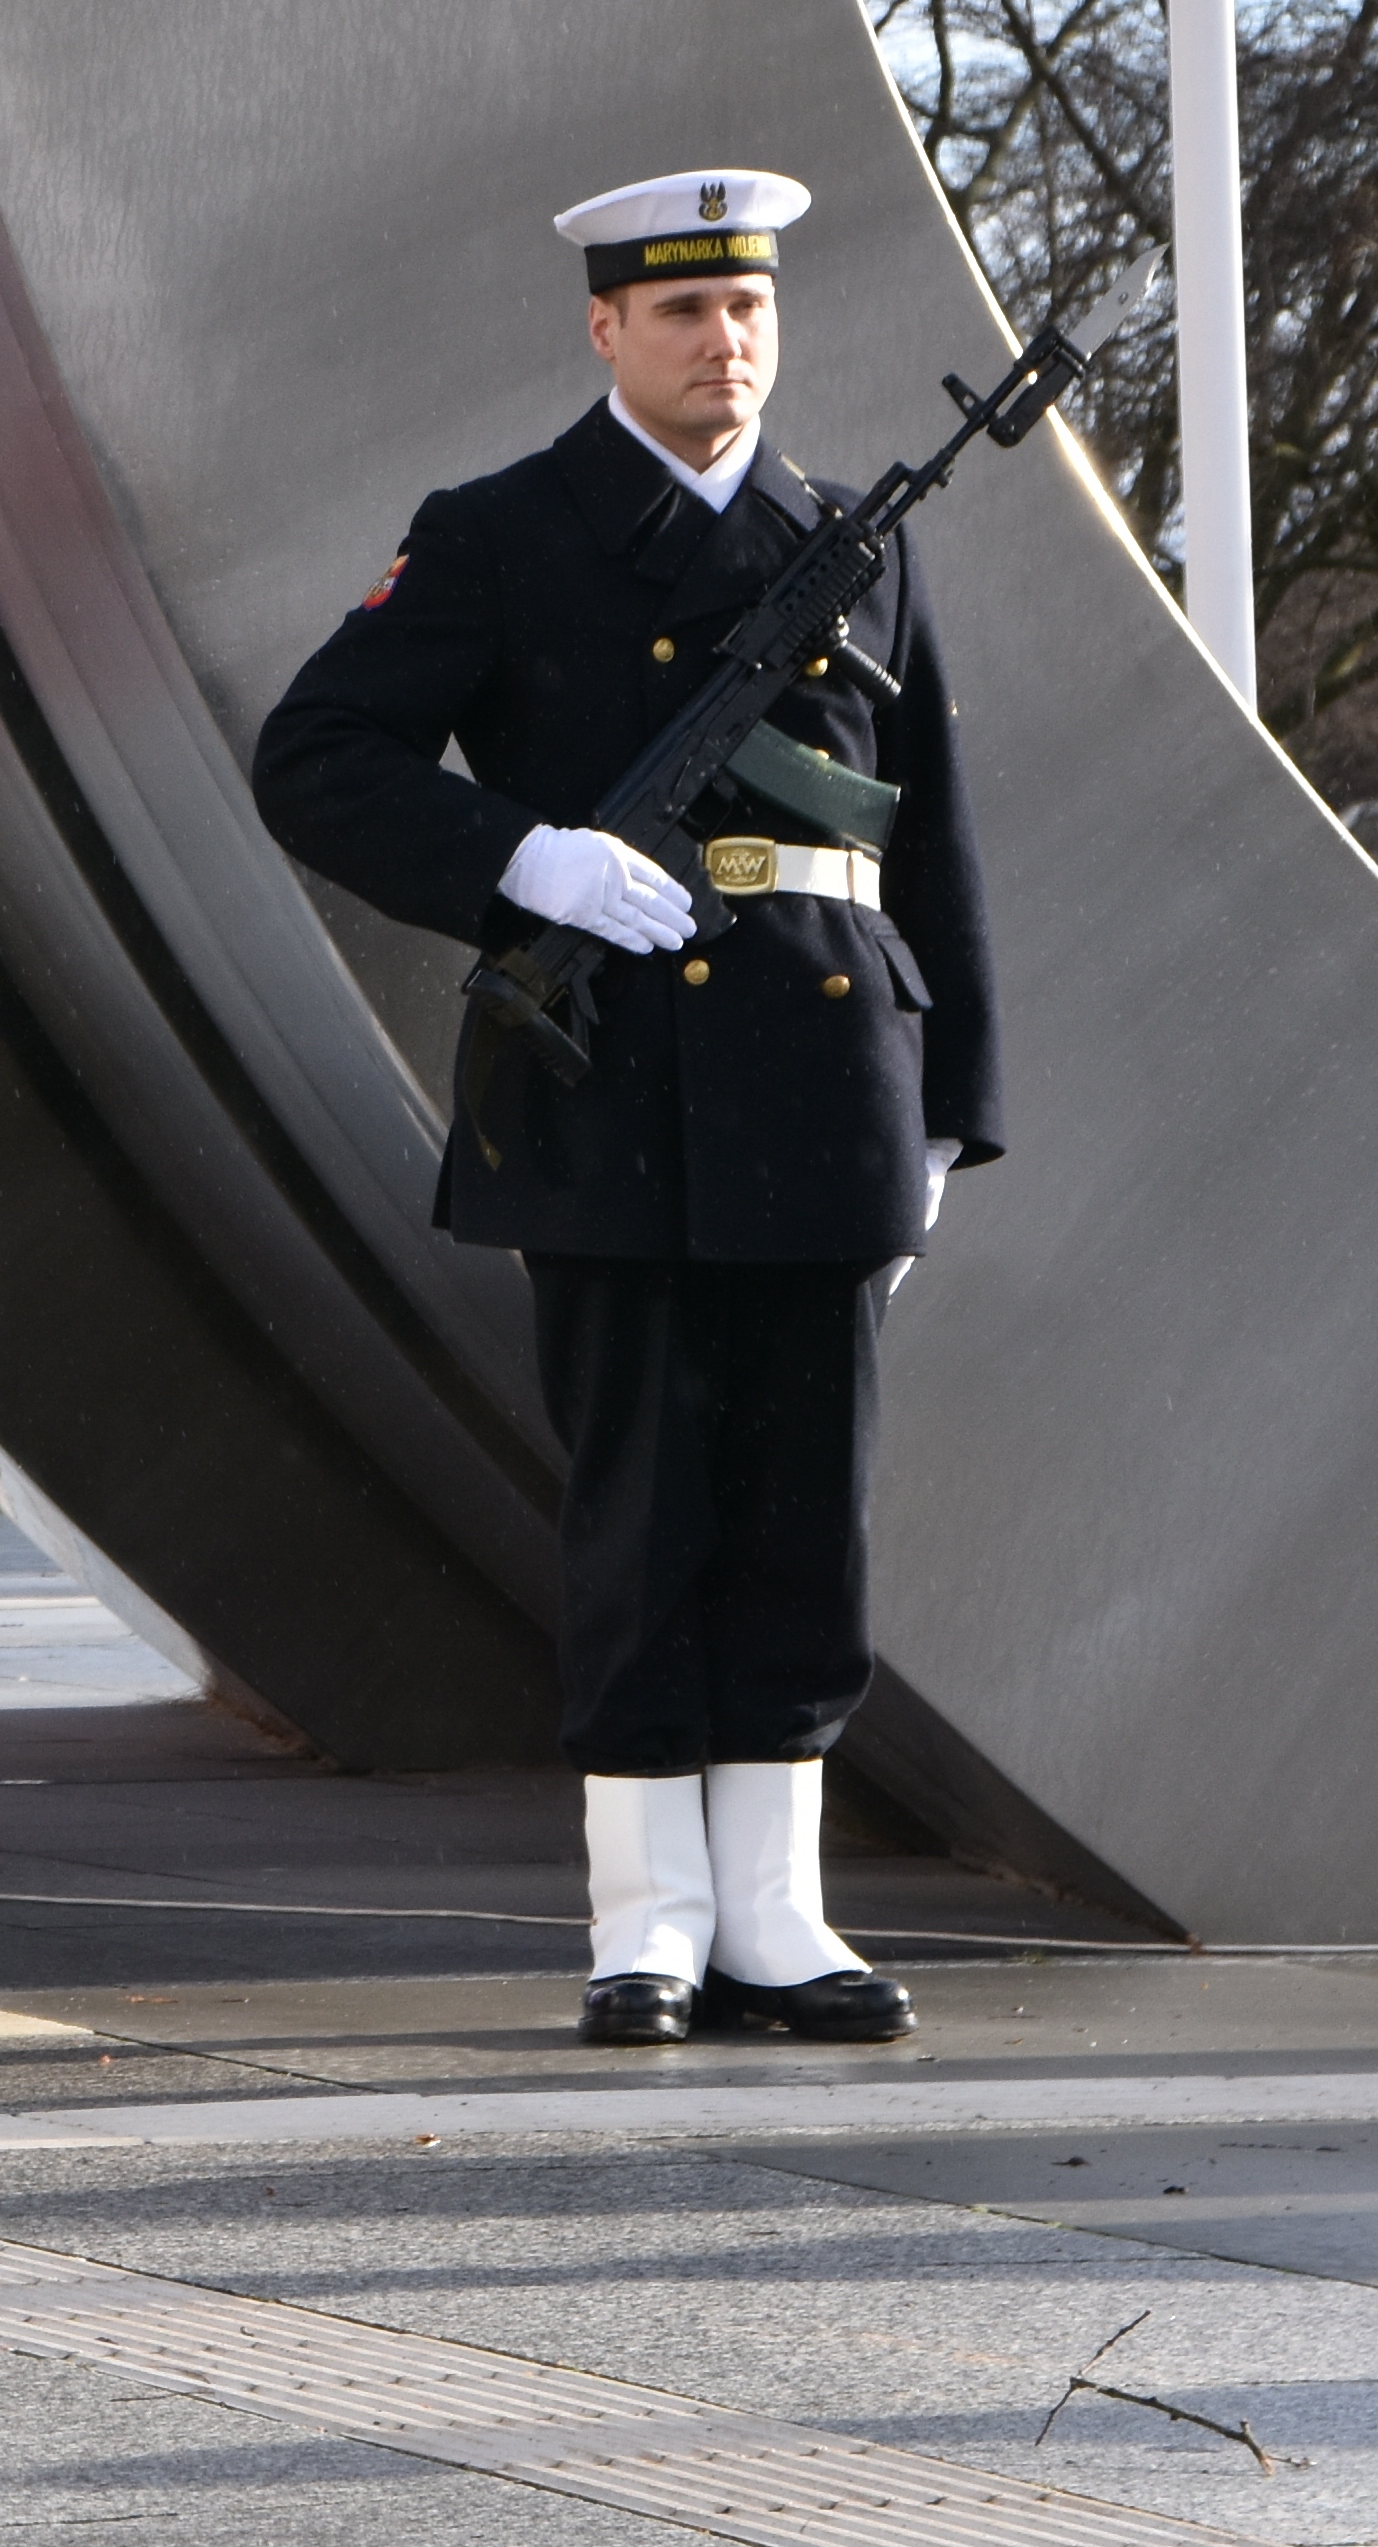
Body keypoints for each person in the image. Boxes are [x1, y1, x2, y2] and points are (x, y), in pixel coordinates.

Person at [252, 170, 999, 2048]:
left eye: (746, 309)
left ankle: (778, 1917)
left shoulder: (852, 536)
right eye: (678, 312)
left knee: (801, 1513)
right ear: (603, 327)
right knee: (642, 1500)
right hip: (608, 1081)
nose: (720, 343)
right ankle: (648, 1921)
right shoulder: (500, 533)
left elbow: (925, 833)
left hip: (825, 1077)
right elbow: (317, 758)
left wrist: (944, 1106)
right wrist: (526, 863)